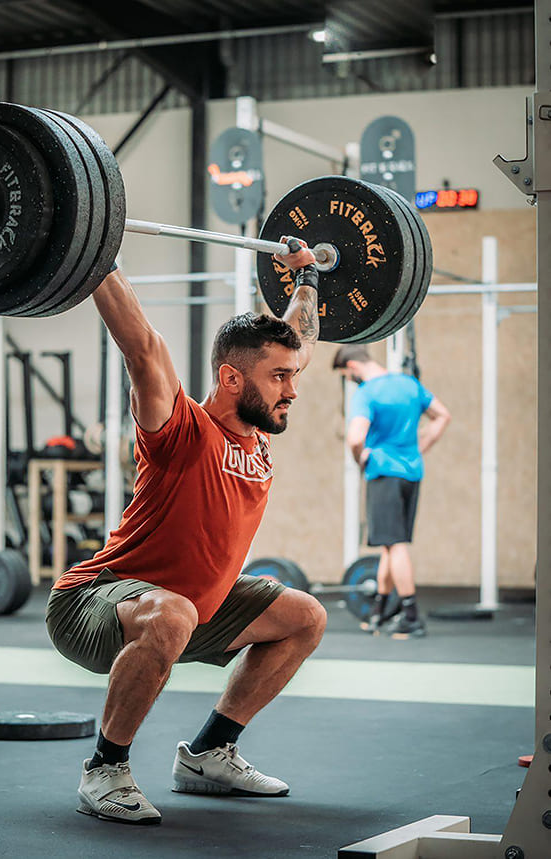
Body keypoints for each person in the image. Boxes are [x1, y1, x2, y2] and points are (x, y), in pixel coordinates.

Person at [46, 238, 327, 826]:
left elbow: (300, 337)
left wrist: (307, 278)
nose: (293, 389)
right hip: (95, 601)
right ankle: (105, 769)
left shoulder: (258, 433)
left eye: (290, 375)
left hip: (190, 609)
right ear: (231, 378)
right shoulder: (181, 430)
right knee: (171, 612)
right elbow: (143, 347)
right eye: (279, 378)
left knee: (304, 615)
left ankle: (206, 756)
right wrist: (93, 250)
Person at [333, 344, 451, 639]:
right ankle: (381, 612)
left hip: (384, 472)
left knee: (395, 544)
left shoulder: (367, 393)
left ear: (353, 368)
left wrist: (361, 456)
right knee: (389, 544)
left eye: (348, 377)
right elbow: (442, 416)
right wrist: (419, 449)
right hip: (411, 473)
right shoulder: (410, 385)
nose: (351, 382)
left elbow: (355, 437)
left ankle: (411, 617)